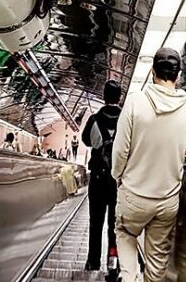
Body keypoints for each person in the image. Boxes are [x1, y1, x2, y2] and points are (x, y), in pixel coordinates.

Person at [112, 48, 186, 282]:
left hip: (134, 194)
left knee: (125, 234)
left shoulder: (135, 102)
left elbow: (120, 150)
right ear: (179, 75)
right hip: (167, 200)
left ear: (152, 71)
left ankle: (128, 277)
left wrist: (117, 175)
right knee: (157, 260)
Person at [81, 79, 122, 271]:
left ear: (104, 97)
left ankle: (93, 262)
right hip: (118, 181)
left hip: (97, 179)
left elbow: (86, 141)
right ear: (119, 97)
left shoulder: (94, 120)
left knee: (95, 222)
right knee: (115, 223)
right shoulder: (126, 120)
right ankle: (113, 261)